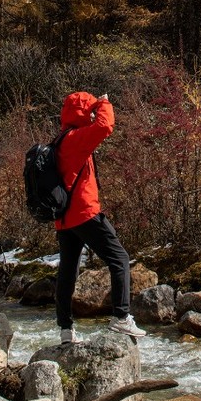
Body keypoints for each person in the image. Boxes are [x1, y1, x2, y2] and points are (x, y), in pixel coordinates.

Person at [53, 90, 146, 342]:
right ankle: (121, 318)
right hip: (84, 212)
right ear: (84, 111)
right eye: (89, 108)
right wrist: (103, 102)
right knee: (119, 258)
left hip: (64, 218)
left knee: (68, 271)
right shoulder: (76, 138)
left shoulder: (61, 139)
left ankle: (65, 330)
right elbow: (105, 126)